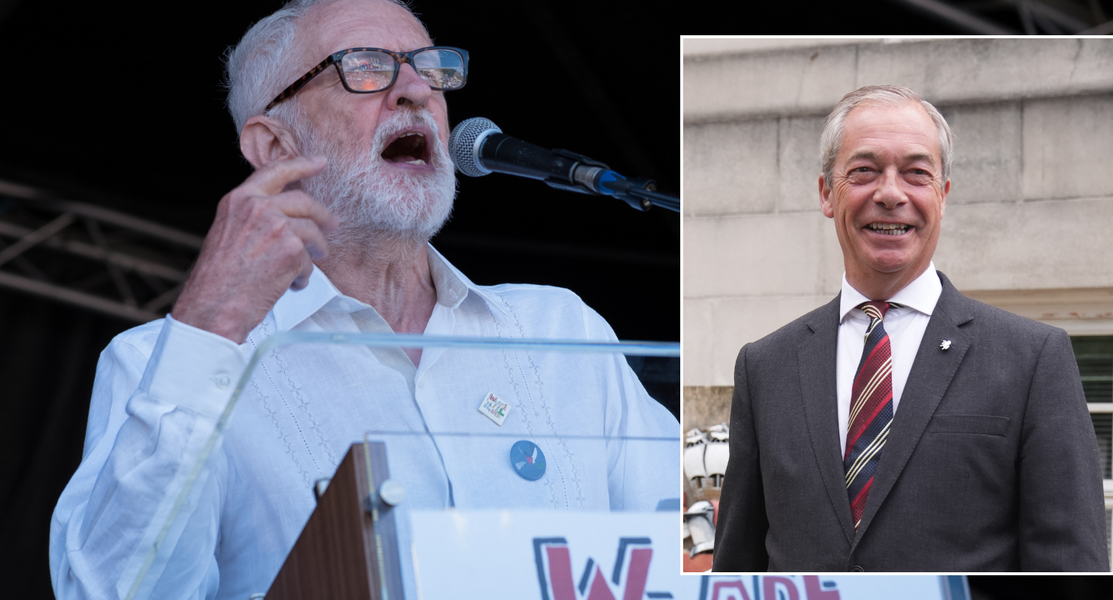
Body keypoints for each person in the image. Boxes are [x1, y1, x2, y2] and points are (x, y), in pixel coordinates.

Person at [49, 0, 679, 597]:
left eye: (431, 70)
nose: (417, 92)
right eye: (366, 68)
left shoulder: (558, 330)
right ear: (274, 146)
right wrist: (208, 325)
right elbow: (111, 590)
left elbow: (706, 551)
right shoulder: (164, 365)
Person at [710, 85, 1108, 572]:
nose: (891, 194)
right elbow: (737, 568)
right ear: (825, 194)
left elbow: (1069, 563)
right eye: (864, 171)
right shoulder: (765, 366)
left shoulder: (1032, 357)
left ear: (942, 196)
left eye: (916, 174)